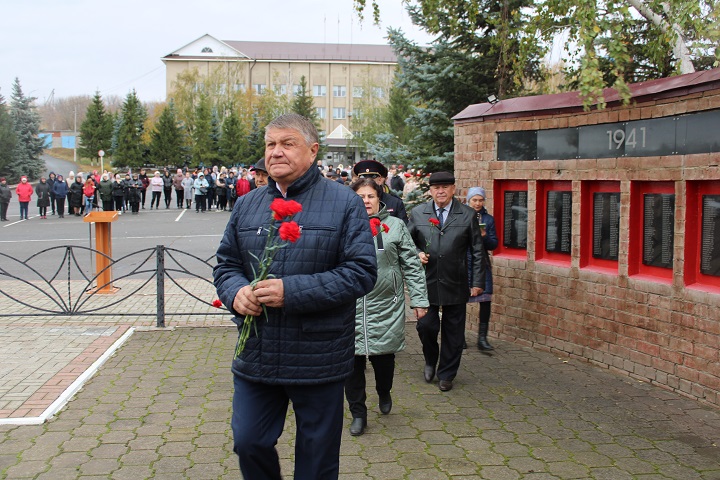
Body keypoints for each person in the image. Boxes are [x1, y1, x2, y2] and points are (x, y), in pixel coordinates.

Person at [213, 113, 377, 479]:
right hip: (258, 350)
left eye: (288, 143)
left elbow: (361, 272)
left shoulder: (344, 203)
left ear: (313, 151)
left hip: (318, 354)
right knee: (249, 441)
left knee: (316, 460)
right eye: (271, 144)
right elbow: (226, 265)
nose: (276, 152)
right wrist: (235, 292)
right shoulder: (247, 204)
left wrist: (293, 291)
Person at [345, 178, 429, 436]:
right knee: (351, 363)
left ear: (379, 198)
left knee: (384, 360)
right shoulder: (343, 225)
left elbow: (411, 265)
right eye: (360, 197)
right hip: (350, 306)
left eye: (370, 196)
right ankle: (358, 413)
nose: (366, 201)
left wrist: (419, 299)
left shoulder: (395, 225)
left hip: (386, 304)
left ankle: (384, 391)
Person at [407, 171, 486, 392]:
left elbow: (478, 252)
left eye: (445, 187)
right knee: (426, 327)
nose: (440, 191)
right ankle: (431, 359)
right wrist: (416, 254)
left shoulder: (467, 214)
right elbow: (405, 242)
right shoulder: (418, 213)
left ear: (453, 189)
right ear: (430, 191)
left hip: (456, 280)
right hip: (427, 282)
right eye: (436, 188)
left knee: (454, 332)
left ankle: (447, 373)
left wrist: (477, 281)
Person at [466, 187, 498, 351]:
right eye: (474, 200)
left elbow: (494, 245)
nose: (477, 203)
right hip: (464, 262)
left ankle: (482, 338)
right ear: (468, 200)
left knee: (485, 301)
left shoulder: (489, 219)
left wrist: (484, 235)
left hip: (481, 264)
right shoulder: (462, 216)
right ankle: (459, 337)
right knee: (460, 301)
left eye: (480, 200)